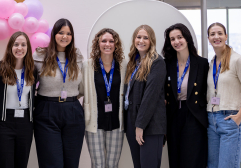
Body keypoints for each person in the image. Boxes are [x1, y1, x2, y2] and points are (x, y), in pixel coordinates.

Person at [33, 18, 84, 168]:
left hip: (73, 110)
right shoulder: (39, 56)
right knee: (51, 163)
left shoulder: (77, 56)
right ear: (54, 34)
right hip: (46, 111)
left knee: (71, 163)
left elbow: (82, 85)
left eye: (68, 34)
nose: (64, 36)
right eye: (61, 32)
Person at [206, 22, 241, 168]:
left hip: (230, 120)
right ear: (208, 38)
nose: (216, 37)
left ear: (226, 36)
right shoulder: (212, 62)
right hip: (212, 120)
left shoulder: (238, 60)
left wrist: (239, 116)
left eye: (220, 33)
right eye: (213, 34)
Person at [162, 23, 208, 168]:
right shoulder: (166, 63)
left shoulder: (202, 63)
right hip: (173, 115)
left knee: (192, 158)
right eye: (172, 39)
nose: (176, 42)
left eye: (179, 37)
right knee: (175, 157)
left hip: (193, 115)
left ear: (187, 38)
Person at [81, 28, 126, 168]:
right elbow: (80, 89)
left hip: (116, 121)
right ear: (98, 44)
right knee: (98, 165)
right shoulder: (87, 65)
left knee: (113, 164)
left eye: (111, 41)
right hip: (94, 121)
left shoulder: (124, 65)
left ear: (116, 44)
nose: (108, 44)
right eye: (104, 41)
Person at [0, 31, 37, 168]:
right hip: (4, 122)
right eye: (16, 44)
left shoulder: (32, 70)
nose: (20, 48)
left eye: (23, 45)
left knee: (21, 163)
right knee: (4, 163)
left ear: (28, 48)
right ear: (10, 47)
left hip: (25, 123)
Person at [124, 24, 166, 168]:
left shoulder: (157, 62)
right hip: (133, 122)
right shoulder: (134, 62)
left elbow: (151, 97)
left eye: (145, 38)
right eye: (138, 37)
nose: (141, 41)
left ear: (151, 41)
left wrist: (140, 125)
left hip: (150, 125)